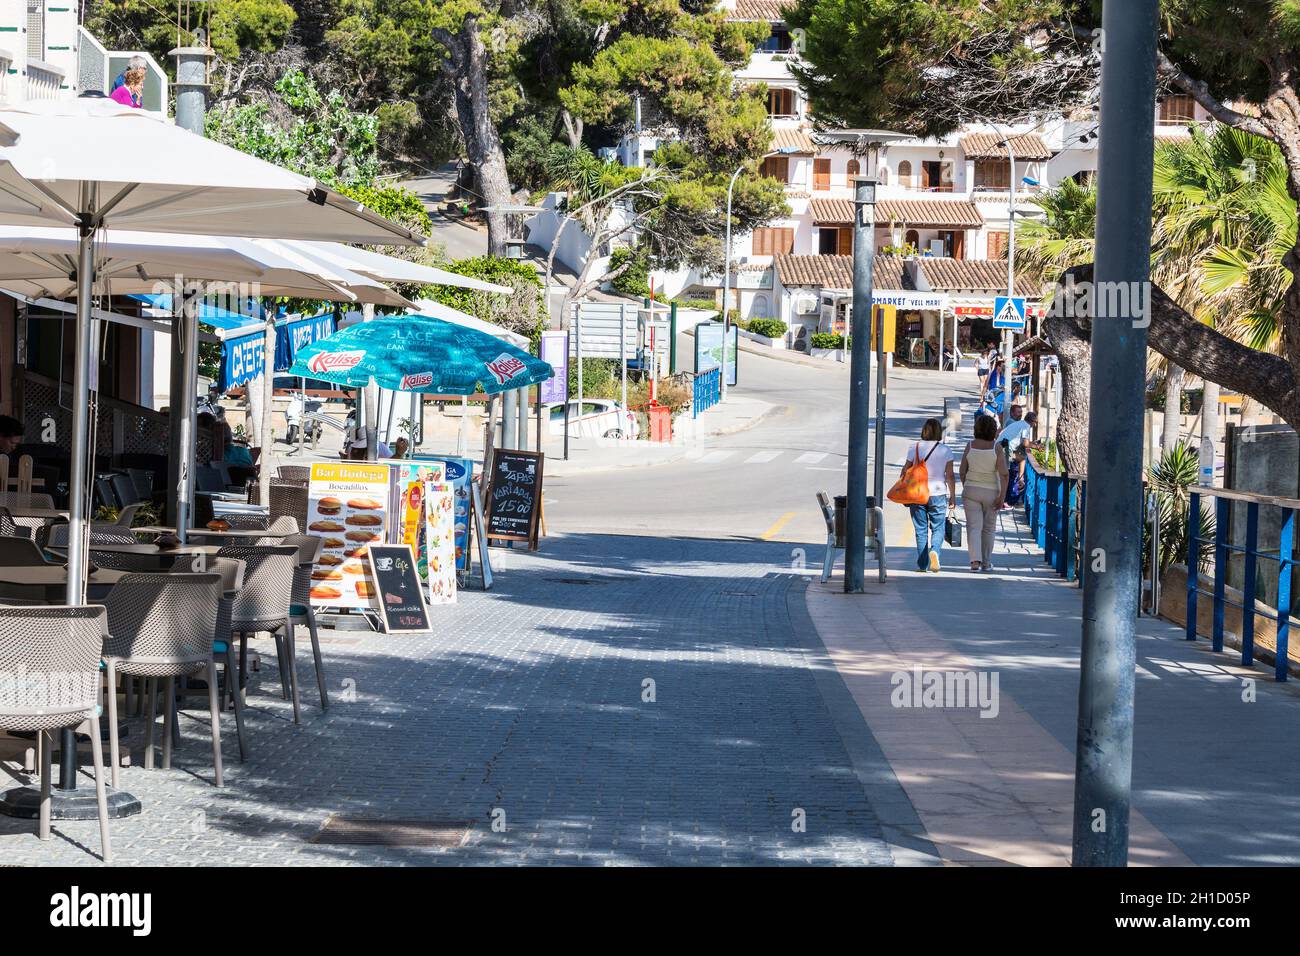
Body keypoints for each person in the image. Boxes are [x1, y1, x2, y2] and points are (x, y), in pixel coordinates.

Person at [900, 418, 956, 573]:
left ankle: (923, 564)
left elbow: (905, 470)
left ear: (924, 431)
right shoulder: (946, 450)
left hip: (918, 493)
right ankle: (935, 551)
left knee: (920, 529)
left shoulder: (915, 447)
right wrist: (953, 496)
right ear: (939, 432)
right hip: (938, 492)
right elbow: (950, 476)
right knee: (938, 527)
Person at [960, 413, 1010, 572]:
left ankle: (975, 561)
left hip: (971, 490)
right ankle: (986, 562)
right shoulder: (997, 448)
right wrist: (1002, 497)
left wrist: (967, 485)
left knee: (974, 527)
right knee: (989, 528)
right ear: (993, 430)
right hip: (991, 492)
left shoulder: (970, 445)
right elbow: (1004, 474)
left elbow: (962, 470)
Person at [998, 399, 1033, 507]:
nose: (1020, 414)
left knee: (1010, 472)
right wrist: (1036, 446)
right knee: (1016, 466)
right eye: (1018, 412)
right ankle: (1018, 484)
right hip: (1006, 449)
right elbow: (1025, 443)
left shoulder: (1018, 423)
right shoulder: (1020, 424)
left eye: (1021, 413)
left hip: (1004, 448)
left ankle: (1010, 497)